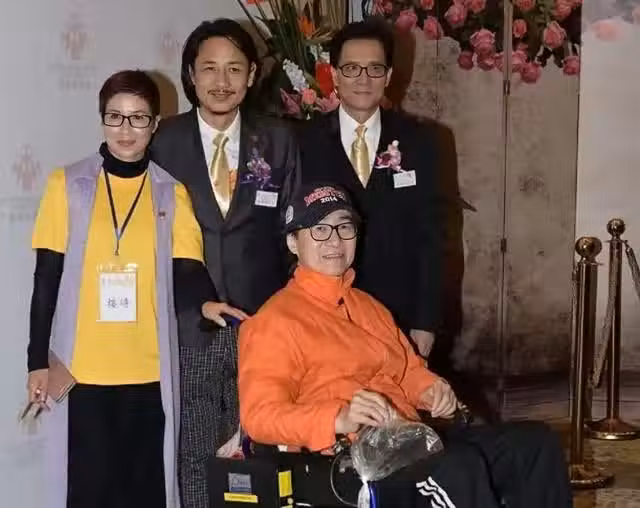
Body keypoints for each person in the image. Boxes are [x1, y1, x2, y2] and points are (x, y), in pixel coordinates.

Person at [237, 183, 572, 508]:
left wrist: (431, 390)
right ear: (293, 242)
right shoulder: (274, 322)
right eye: (319, 229)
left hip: (407, 437)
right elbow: (259, 417)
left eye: (344, 227)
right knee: (458, 468)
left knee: (534, 445)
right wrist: (338, 418)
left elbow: (408, 370)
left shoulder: (368, 306)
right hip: (347, 458)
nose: (335, 240)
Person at [26, 70, 229, 508]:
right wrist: (36, 361)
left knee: (144, 493)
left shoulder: (170, 193)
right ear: (102, 119)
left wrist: (204, 304)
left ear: (155, 124)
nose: (125, 129)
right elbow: (46, 280)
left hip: (148, 373)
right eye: (115, 116)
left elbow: (187, 270)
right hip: (82, 375)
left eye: (138, 118)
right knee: (88, 493)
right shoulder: (67, 185)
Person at [151, 18, 301, 507]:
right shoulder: (161, 141)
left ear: (252, 75)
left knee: (259, 448)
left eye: (234, 68)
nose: (222, 81)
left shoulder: (279, 140)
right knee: (192, 450)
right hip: (185, 322)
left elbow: (295, 231)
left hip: (261, 320)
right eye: (209, 68)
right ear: (190, 75)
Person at [299, 20, 443, 363]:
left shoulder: (421, 141)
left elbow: (434, 238)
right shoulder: (302, 142)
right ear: (334, 75)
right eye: (351, 68)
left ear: (388, 75)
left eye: (375, 68)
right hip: (327, 313)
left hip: (400, 314)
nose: (363, 79)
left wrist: (426, 321)